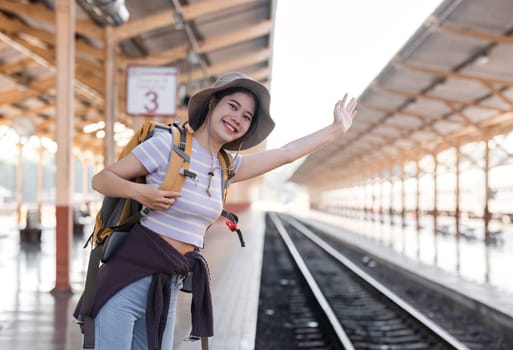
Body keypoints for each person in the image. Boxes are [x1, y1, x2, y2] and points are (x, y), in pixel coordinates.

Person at [83, 71, 357, 349]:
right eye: (233, 106)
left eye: (247, 116)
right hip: (127, 282)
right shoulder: (169, 145)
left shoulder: (227, 167)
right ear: (213, 104)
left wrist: (335, 130)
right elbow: (102, 179)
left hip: (168, 287)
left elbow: (287, 152)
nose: (238, 117)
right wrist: (141, 192)